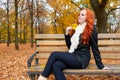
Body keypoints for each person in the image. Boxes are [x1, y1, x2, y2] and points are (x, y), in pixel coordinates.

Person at [38, 8, 109, 80]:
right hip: (73, 56)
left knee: (54, 54)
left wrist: (101, 66)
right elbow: (70, 47)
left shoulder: (92, 29)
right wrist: (66, 34)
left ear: (88, 17)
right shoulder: (77, 29)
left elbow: (95, 48)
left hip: (82, 59)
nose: (79, 16)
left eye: (82, 15)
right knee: (56, 65)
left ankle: (42, 78)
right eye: (79, 14)